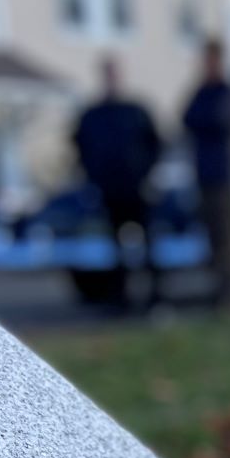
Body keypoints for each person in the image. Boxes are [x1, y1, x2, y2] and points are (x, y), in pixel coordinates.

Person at [73, 55, 163, 308]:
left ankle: (155, 296)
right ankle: (121, 298)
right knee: (115, 248)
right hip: (109, 190)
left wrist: (145, 172)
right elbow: (80, 147)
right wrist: (94, 176)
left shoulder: (135, 111)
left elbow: (155, 143)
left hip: (137, 188)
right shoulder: (93, 115)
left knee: (148, 244)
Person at [182, 36, 230, 310]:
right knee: (213, 239)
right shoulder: (201, 92)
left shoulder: (225, 92)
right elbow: (186, 118)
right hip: (204, 176)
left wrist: (203, 121)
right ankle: (221, 292)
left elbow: (218, 120)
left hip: (223, 176)